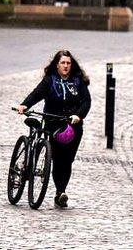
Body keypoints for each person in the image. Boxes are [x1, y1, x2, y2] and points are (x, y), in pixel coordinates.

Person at [16, 49, 91, 208]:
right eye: (62, 63)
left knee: (67, 160)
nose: (65, 66)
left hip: (72, 125)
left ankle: (60, 192)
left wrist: (78, 115)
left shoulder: (78, 82)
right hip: (53, 123)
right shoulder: (50, 80)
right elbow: (37, 94)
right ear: (57, 65)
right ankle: (61, 191)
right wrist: (25, 105)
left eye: (68, 63)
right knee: (57, 158)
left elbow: (86, 102)